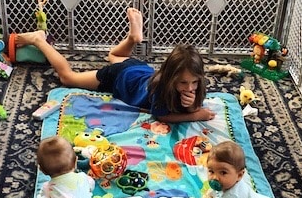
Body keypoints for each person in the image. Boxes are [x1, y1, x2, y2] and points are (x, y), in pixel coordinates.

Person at [16, 7, 215, 123]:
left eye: (194, 82)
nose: (189, 88)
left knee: (113, 54)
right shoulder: (160, 90)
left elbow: (189, 105)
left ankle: (133, 37)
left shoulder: (194, 85)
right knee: (68, 77)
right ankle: (39, 40)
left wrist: (192, 107)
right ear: (171, 77)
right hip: (120, 76)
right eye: (183, 83)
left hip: (139, 69)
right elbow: (162, 116)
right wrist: (195, 115)